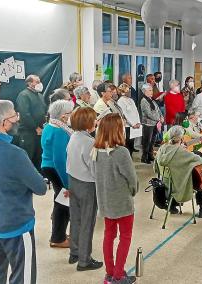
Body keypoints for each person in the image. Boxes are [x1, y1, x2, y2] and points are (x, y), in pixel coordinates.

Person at [0, 100, 47, 283]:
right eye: (14, 115)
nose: (17, 119)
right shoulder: (15, 153)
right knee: (23, 274)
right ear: (4, 122)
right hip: (16, 223)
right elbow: (40, 188)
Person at [92, 113, 138, 284]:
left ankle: (110, 273)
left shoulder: (96, 150)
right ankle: (119, 275)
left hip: (105, 201)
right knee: (125, 237)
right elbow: (132, 179)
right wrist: (133, 191)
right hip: (122, 202)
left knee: (109, 235)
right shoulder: (121, 152)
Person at [66, 107, 103, 271]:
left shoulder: (74, 136)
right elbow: (94, 169)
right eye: (94, 119)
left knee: (76, 218)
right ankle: (84, 260)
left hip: (73, 181)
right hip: (87, 185)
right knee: (87, 221)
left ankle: (74, 252)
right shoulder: (89, 142)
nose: (96, 121)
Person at [156, 126, 202, 218]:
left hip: (165, 186)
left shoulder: (162, 148)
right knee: (199, 177)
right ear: (182, 138)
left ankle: (173, 205)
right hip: (179, 188)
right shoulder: (182, 152)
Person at [41, 100, 74, 248]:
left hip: (49, 167)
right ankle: (57, 238)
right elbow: (59, 159)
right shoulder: (59, 131)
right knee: (63, 205)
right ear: (62, 116)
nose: (70, 116)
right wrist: (67, 183)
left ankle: (58, 234)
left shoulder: (50, 125)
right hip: (56, 169)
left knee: (59, 202)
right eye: (69, 113)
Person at [16, 74, 47, 171]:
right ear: (29, 83)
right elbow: (25, 114)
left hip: (40, 131)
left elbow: (44, 111)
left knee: (39, 156)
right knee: (28, 156)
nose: (40, 84)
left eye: (40, 81)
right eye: (37, 82)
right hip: (28, 132)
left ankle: (39, 176)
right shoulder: (23, 95)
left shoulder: (40, 96)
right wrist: (36, 128)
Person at [140, 84, 163, 164]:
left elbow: (158, 110)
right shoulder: (144, 101)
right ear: (144, 91)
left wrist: (161, 116)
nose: (151, 92)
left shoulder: (152, 100)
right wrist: (158, 118)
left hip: (155, 124)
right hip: (148, 124)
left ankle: (150, 155)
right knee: (147, 141)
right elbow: (148, 114)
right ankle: (144, 157)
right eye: (149, 90)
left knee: (152, 141)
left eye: (151, 90)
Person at [117, 83, 141, 157]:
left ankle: (130, 156)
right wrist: (132, 124)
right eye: (128, 91)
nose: (130, 92)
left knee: (132, 143)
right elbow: (124, 114)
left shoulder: (131, 100)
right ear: (123, 92)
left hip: (135, 125)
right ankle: (126, 157)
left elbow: (136, 111)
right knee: (127, 143)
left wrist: (138, 122)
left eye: (129, 90)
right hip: (128, 126)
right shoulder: (120, 101)